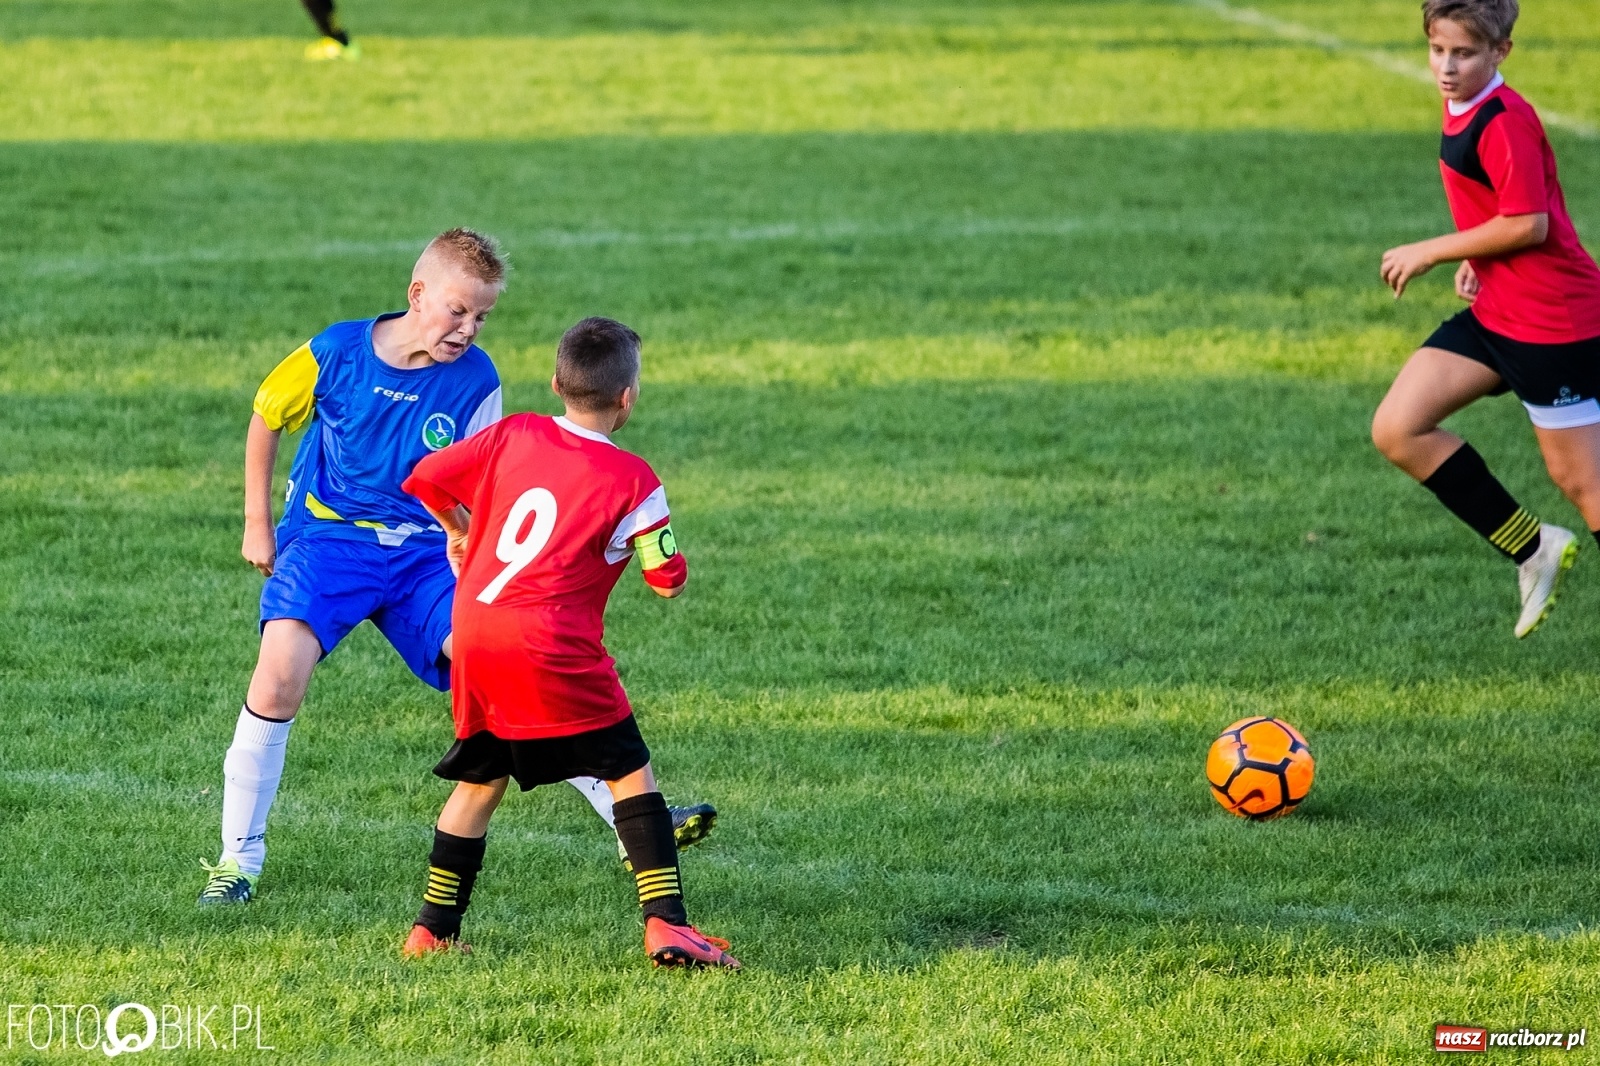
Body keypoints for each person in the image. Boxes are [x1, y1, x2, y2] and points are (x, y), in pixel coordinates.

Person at [197, 233, 714, 905]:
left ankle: (634, 827)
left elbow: (480, 476)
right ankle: (238, 861)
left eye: (481, 318)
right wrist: (256, 522)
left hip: (423, 554)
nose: (468, 329)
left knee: (515, 669)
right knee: (279, 677)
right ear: (418, 295)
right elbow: (266, 418)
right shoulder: (335, 351)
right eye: (457, 311)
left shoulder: (477, 380)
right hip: (329, 541)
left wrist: (462, 538)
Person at [397, 317, 738, 968]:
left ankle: (431, 932)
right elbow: (666, 581)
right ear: (627, 398)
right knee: (628, 770)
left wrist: (458, 530)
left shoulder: (514, 432)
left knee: (481, 779)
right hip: (552, 643)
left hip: (475, 632)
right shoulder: (635, 481)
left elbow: (425, 479)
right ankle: (668, 925)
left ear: (555, 383)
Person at [1371, 0, 1600, 637]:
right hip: (1500, 311)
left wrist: (1435, 249)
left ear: (1501, 53)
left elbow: (1531, 223)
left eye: (1464, 53)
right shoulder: (1462, 103)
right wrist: (1477, 252)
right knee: (1399, 428)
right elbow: (1505, 210)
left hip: (1554, 322)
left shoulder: (1503, 120)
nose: (1446, 66)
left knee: (1583, 483)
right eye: (1437, 49)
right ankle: (1534, 549)